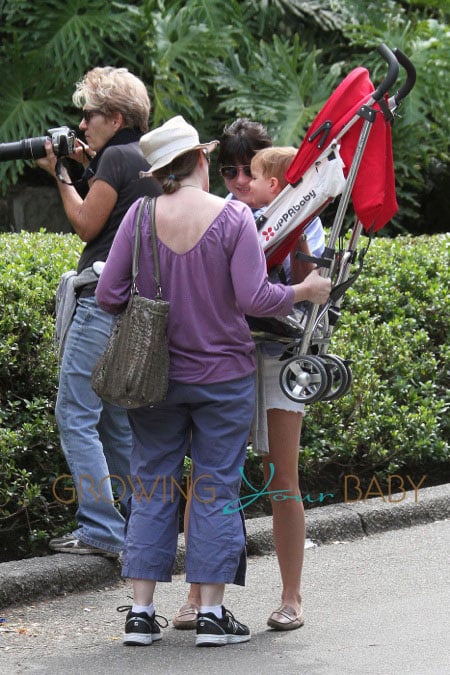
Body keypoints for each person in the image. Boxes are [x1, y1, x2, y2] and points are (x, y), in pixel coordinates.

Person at [95, 115, 330, 647]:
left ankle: (140, 612)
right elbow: (255, 299)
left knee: (152, 482)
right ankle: (211, 615)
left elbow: (108, 296)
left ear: (159, 173)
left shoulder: (138, 214)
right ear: (201, 161)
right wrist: (305, 290)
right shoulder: (232, 219)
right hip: (223, 377)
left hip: (154, 378)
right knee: (215, 488)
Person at [174, 120, 325, 632]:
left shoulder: (305, 212)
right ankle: (197, 595)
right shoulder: (218, 216)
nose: (240, 180)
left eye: (251, 169)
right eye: (231, 170)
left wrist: (298, 224)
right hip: (226, 353)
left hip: (281, 352)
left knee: (281, 475)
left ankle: (292, 597)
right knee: (210, 477)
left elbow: (312, 284)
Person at [36, 66, 162, 557]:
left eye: (88, 115)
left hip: (101, 302)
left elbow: (88, 226)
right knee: (113, 421)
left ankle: (100, 528)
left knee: (76, 413)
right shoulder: (148, 160)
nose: (82, 125)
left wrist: (62, 176)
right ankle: (136, 525)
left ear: (114, 116)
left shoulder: (116, 159)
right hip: (135, 308)